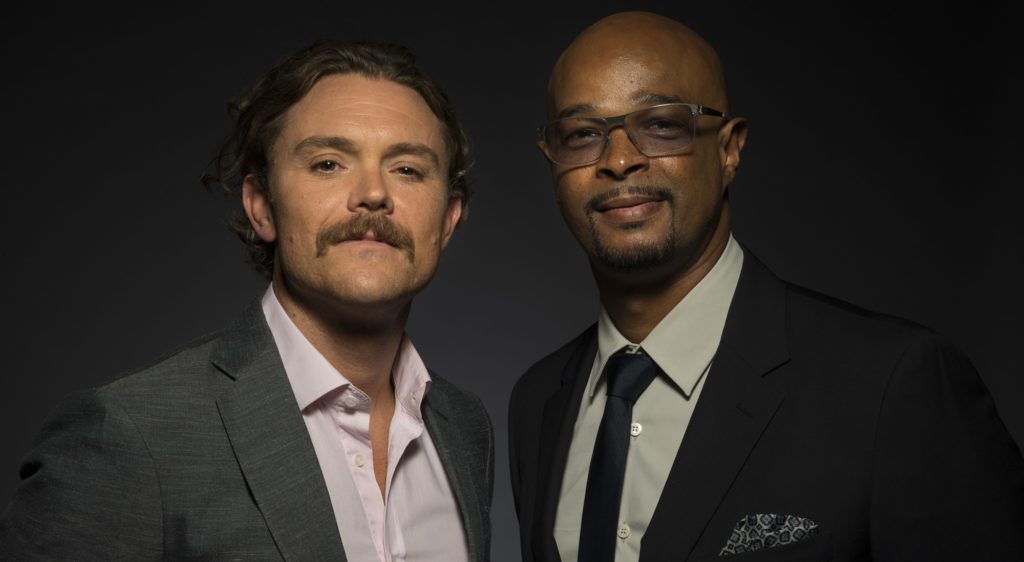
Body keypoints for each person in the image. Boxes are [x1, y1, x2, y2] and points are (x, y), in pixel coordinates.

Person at [508, 11, 1024, 562]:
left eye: (660, 125)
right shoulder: (538, 402)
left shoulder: (892, 385)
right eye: (583, 135)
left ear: (729, 149)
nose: (618, 160)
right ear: (552, 162)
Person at [0, 40, 492, 561]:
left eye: (408, 169)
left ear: (447, 220)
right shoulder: (127, 434)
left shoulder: (463, 427)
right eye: (328, 163)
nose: (373, 193)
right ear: (261, 207)